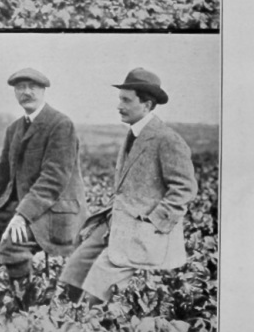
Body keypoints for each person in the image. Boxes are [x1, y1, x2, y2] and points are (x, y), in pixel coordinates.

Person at [59, 68, 198, 303]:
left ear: (146, 104)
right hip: (117, 220)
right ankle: (66, 315)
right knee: (74, 271)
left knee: (96, 289)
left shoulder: (167, 139)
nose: (119, 106)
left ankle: (88, 326)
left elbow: (185, 188)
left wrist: (154, 222)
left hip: (143, 230)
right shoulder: (133, 134)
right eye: (119, 99)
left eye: (126, 100)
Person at [0, 68, 86, 308]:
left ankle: (26, 310)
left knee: (13, 245)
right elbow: (0, 175)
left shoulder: (60, 125)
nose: (26, 92)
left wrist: (22, 216)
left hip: (55, 212)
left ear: (43, 91)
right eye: (20, 88)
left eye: (32, 87)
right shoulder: (14, 129)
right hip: (20, 208)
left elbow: (53, 179)